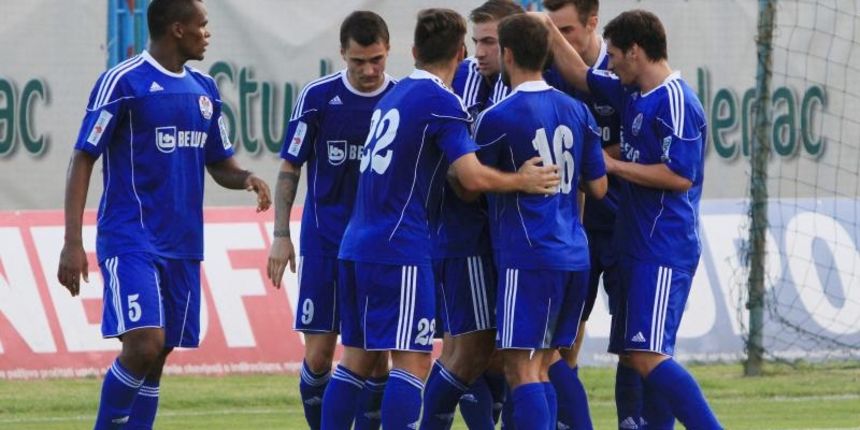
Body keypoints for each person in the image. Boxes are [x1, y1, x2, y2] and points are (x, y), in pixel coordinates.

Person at [321, 8, 560, 430]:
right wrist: (520, 179)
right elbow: (468, 176)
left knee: (354, 360)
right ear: (461, 53)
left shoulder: (392, 95)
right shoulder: (442, 101)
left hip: (356, 243)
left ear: (413, 51)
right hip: (400, 247)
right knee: (412, 363)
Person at [56, 1, 271, 429]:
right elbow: (83, 157)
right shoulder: (123, 82)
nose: (207, 33)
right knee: (144, 343)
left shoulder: (205, 89)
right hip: (130, 237)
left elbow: (220, 163)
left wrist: (246, 177)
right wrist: (72, 241)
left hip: (183, 244)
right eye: (202, 25)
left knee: (158, 356)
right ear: (177, 29)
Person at [543, 8, 723, 429]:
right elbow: (580, 74)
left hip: (664, 246)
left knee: (648, 354)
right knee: (636, 351)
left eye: (614, 54)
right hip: (636, 243)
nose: (610, 62)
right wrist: (544, 25)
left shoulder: (676, 100)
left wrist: (611, 166)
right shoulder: (633, 93)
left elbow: (680, 175)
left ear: (635, 51)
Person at [474, 13, 607, 430]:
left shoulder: (498, 117)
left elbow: (472, 185)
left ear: (508, 54)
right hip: (573, 255)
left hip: (527, 256)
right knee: (548, 362)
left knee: (521, 369)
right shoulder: (578, 111)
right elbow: (599, 188)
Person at [265, 11, 396, 430]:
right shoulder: (319, 98)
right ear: (342, 53)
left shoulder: (401, 100)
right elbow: (290, 166)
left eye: (376, 59)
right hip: (326, 244)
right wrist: (281, 234)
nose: (369, 70)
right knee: (320, 356)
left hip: (381, 250)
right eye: (358, 61)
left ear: (388, 50)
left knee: (376, 359)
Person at [421, 1, 523, 429]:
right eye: (475, 41)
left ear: (513, 45)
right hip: (464, 237)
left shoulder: (524, 89)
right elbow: (459, 176)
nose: (479, 51)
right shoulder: (456, 84)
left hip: (505, 240)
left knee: (499, 356)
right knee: (470, 352)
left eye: (489, 42)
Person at [540, 1, 624, 429]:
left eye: (567, 31)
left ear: (594, 23)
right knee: (564, 337)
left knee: (635, 344)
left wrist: (595, 158)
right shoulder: (548, 73)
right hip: (570, 230)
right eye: (551, 30)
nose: (558, 40)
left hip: (623, 225)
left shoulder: (621, 67)